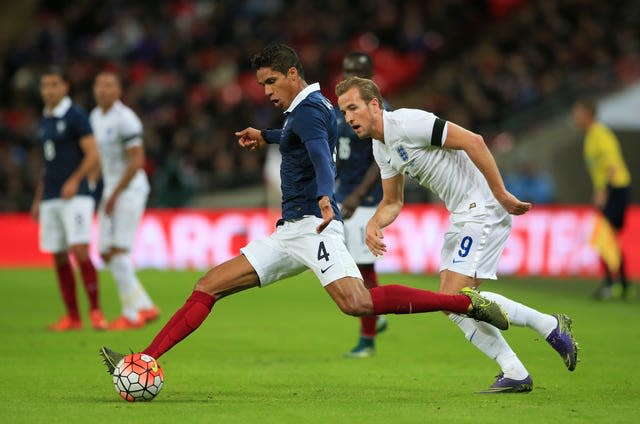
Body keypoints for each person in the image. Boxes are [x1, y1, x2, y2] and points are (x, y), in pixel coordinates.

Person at [100, 43, 510, 385]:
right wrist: (267, 136)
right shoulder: (312, 108)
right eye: (262, 84)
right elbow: (301, 136)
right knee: (209, 285)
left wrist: (326, 196)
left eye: (270, 82)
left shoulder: (311, 110)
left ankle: (459, 302)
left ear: (292, 72)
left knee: (357, 303)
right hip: (288, 233)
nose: (265, 91)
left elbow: (318, 154)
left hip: (314, 228)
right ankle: (145, 359)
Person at [336, 76, 579, 393]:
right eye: (343, 112)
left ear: (373, 104)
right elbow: (393, 201)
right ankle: (515, 370)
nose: (348, 118)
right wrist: (374, 224)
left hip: (483, 208)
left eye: (353, 108)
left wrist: (501, 194)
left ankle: (547, 325)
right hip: (462, 214)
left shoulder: (409, 122)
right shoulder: (380, 148)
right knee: (452, 303)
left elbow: (473, 141)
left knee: (456, 296)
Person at [30, 66, 107, 331]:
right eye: (45, 85)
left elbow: (93, 153)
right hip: (51, 195)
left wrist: (75, 180)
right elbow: (48, 162)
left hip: (76, 195)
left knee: (80, 249)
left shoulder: (75, 115)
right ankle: (73, 317)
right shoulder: (44, 118)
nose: (49, 90)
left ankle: (96, 311)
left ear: (65, 87)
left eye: (54, 85)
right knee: (59, 255)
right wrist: (39, 198)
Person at [90, 71, 160, 330]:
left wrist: (115, 193)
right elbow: (98, 158)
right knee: (106, 252)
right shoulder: (95, 117)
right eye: (99, 84)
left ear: (119, 91)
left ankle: (132, 315)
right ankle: (145, 305)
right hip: (111, 189)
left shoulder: (126, 119)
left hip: (129, 189)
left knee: (119, 251)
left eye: (108, 85)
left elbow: (137, 161)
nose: (102, 90)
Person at [335, 52, 388, 358]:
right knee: (352, 266)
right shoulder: (340, 107)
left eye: (356, 71)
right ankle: (376, 318)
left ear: (369, 74)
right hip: (344, 197)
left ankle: (368, 339)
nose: (349, 74)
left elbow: (382, 160)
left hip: (365, 201)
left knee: (363, 269)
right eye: (346, 69)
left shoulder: (378, 109)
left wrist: (357, 195)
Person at [572, 99, 632, 300]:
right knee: (607, 239)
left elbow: (612, 164)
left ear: (588, 114)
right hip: (612, 189)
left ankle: (613, 284)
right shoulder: (591, 136)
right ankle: (620, 285)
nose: (575, 118)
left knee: (605, 238)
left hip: (616, 189)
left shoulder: (600, 134)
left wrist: (604, 190)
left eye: (578, 113)